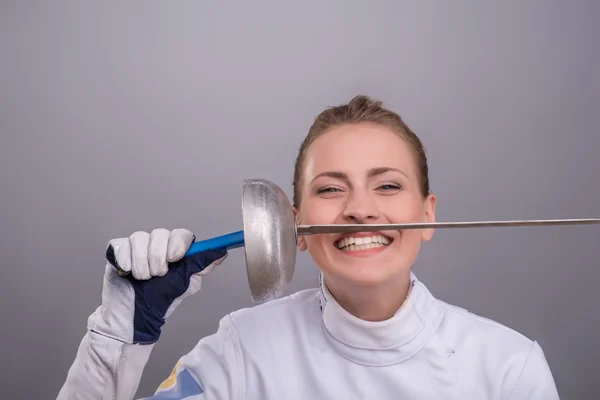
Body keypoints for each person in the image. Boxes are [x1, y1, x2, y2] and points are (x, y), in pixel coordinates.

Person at [57, 95, 560, 399]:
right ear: (293, 223)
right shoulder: (243, 349)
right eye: (330, 188)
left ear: (427, 214)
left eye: (387, 186)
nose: (360, 209)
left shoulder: (508, 367)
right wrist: (118, 335)